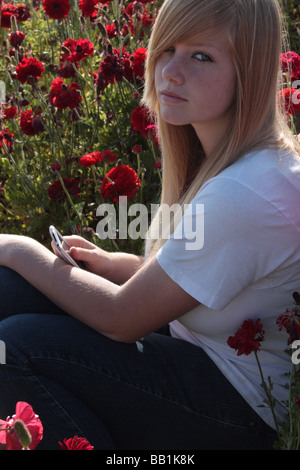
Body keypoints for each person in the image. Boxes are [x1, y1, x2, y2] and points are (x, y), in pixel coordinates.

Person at [0, 0, 299, 450]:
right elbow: (188, 281)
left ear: (250, 73)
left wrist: (17, 248)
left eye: (202, 56)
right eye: (167, 49)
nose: (171, 72)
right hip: (199, 352)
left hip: (244, 411)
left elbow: (122, 319)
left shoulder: (247, 191)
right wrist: (108, 263)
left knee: (17, 348)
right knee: (11, 289)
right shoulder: (232, 162)